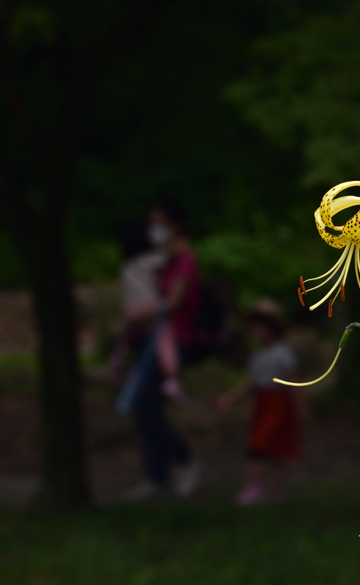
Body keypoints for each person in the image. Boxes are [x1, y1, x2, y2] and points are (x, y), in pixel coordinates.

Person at [125, 199, 203, 500]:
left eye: (159, 222)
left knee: (145, 409)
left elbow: (176, 302)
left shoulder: (185, 260)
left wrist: (141, 313)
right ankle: (156, 477)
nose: (154, 229)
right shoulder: (163, 260)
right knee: (145, 407)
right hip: (155, 342)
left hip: (175, 342)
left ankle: (185, 459)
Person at [216, 299, 302, 505]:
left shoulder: (283, 353)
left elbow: (293, 381)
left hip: (278, 404)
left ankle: (261, 487)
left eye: (262, 325)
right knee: (262, 444)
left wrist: (301, 408)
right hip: (262, 404)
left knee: (264, 445)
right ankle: (267, 488)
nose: (257, 329)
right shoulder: (257, 356)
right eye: (255, 325)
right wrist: (229, 398)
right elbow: (250, 383)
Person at [107, 224, 182, 402]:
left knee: (131, 337)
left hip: (129, 311)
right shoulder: (150, 260)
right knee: (164, 337)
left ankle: (118, 360)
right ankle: (171, 379)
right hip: (150, 306)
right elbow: (170, 255)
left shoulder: (125, 267)